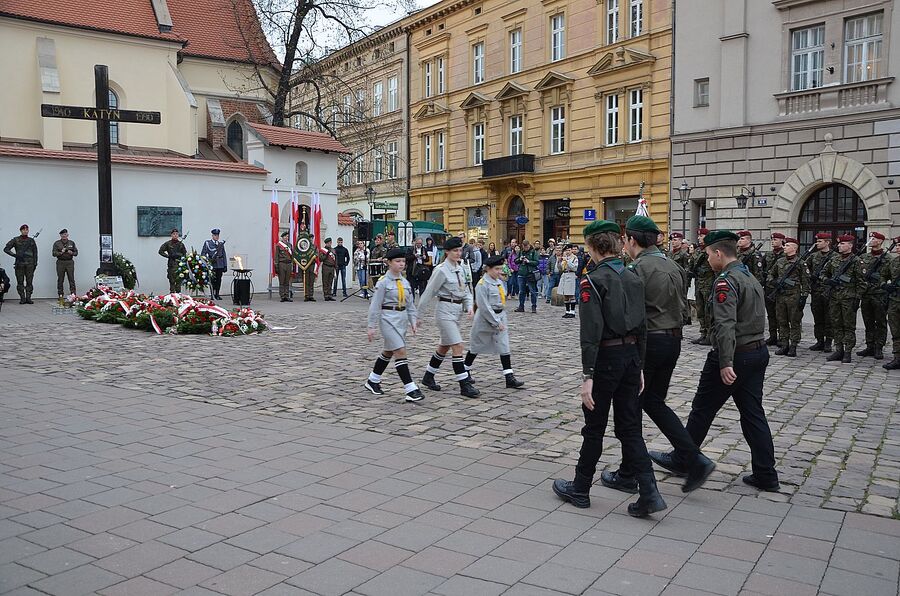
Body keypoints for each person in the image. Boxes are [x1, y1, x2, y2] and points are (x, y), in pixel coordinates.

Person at [551, 220, 666, 517]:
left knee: (594, 427)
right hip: (630, 357)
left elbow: (591, 332)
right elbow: (642, 326)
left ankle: (580, 487)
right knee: (630, 428)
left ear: (593, 247)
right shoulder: (632, 277)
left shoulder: (593, 279)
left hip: (606, 358)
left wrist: (587, 375)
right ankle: (650, 493)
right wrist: (638, 365)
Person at [651, 230, 780, 493]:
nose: (707, 259)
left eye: (709, 254)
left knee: (702, 409)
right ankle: (766, 474)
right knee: (753, 414)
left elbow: (725, 325)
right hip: (757, 352)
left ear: (719, 253)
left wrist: (725, 361)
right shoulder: (748, 276)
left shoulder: (726, 281)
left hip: (735, 355)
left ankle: (684, 459)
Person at [602, 216, 715, 495]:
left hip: (648, 342)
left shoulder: (637, 267)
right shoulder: (672, 264)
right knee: (653, 402)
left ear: (631, 240)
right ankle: (694, 457)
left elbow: (630, 312)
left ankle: (629, 473)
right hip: (672, 340)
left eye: (626, 239)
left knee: (631, 407)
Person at [418, 236, 480, 398]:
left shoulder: (460, 268)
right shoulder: (441, 270)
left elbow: (466, 290)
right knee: (458, 346)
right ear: (447, 252)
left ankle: (428, 376)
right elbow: (428, 293)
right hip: (444, 311)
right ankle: (464, 384)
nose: (458, 253)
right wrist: (418, 315)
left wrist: (469, 307)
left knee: (444, 346)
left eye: (460, 250)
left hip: (456, 311)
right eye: (455, 251)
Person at [365, 247, 425, 402]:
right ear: (389, 263)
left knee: (388, 351)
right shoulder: (383, 283)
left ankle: (373, 379)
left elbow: (410, 304)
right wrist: (371, 326)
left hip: (402, 319)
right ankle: (410, 388)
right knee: (400, 351)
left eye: (403, 261)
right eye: (397, 261)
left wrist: (413, 321)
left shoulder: (405, 282)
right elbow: (375, 305)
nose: (401, 264)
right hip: (388, 319)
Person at [464, 255, 525, 389]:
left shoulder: (498, 281)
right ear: (488, 269)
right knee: (476, 347)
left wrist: (501, 319)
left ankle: (509, 377)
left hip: (500, 317)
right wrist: (496, 322)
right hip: (485, 321)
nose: (499, 272)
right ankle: (465, 370)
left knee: (504, 347)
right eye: (497, 269)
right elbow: (484, 307)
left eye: (500, 269)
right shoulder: (482, 284)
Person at [822, 234, 864, 364]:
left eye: (842, 244)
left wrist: (857, 298)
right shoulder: (834, 260)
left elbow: (862, 282)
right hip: (834, 297)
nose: (839, 246)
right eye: (839, 244)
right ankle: (838, 349)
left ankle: (847, 352)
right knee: (836, 324)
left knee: (848, 326)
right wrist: (828, 281)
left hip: (848, 298)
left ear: (850, 246)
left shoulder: (856, 261)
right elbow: (823, 273)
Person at [767, 237, 809, 357]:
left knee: (794, 321)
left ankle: (793, 345)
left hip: (793, 296)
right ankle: (784, 344)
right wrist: (773, 282)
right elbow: (770, 274)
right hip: (780, 296)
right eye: (784, 245)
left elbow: (805, 281)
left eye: (788, 245)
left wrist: (804, 296)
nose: (784, 247)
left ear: (794, 248)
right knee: (782, 321)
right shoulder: (780, 261)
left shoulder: (801, 263)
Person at [858, 232, 890, 360]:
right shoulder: (864, 257)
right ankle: (870, 346)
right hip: (866, 294)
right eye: (870, 238)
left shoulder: (888, 258)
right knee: (868, 321)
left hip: (880, 295)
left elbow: (892, 276)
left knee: (881, 322)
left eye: (874, 238)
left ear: (880, 241)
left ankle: (879, 347)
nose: (871, 240)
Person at [807, 232, 834, 352]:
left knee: (829, 318)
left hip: (829, 292)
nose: (817, 243)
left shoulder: (835, 256)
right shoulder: (813, 256)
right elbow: (804, 267)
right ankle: (819, 341)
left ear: (827, 242)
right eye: (817, 241)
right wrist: (810, 276)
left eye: (820, 241)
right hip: (816, 291)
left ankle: (828, 342)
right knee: (818, 318)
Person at [4, 224, 38, 304]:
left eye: (27, 230)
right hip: (20, 264)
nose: (25, 231)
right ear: (21, 231)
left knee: (29, 281)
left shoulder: (31, 240)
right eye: (23, 230)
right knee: (20, 281)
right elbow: (6, 249)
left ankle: (28, 298)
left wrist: (35, 263)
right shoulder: (16, 240)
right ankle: (22, 298)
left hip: (30, 264)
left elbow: (35, 252)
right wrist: (15, 255)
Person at [689, 228, 713, 344]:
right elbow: (692, 266)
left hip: (709, 284)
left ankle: (709, 335)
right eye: (699, 236)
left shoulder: (711, 250)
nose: (699, 238)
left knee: (708, 310)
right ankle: (703, 333)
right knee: (700, 310)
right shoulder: (697, 251)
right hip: (699, 283)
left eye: (702, 236)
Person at [763, 232, 786, 346]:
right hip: (769, 287)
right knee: (771, 314)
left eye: (776, 240)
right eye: (772, 240)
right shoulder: (768, 255)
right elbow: (762, 270)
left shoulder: (786, 254)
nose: (773, 242)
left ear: (782, 241)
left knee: (781, 314)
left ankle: (782, 337)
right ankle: (773, 336)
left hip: (780, 288)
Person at [881, 237, 900, 370]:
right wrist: (884, 285)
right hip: (894, 301)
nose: (897, 247)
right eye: (897, 245)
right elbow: (883, 275)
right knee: (895, 331)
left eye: (899, 245)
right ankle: (897, 358)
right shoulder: (894, 262)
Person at [52, 228, 78, 299]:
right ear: (60, 235)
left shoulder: (71, 243)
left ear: (67, 235)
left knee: (71, 279)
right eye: (62, 234)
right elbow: (54, 253)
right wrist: (61, 252)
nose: (64, 236)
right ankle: (60, 295)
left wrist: (71, 252)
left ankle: (73, 295)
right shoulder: (57, 243)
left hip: (69, 262)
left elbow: (76, 253)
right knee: (60, 279)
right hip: (60, 262)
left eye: (65, 234)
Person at [158, 228, 186, 294]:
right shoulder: (168, 244)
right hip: (171, 264)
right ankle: (172, 297)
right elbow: (160, 251)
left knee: (179, 281)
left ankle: (179, 297)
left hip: (179, 265)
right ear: (171, 235)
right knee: (172, 281)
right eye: (174, 234)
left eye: (176, 234)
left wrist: (179, 255)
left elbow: (184, 254)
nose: (175, 235)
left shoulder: (181, 244)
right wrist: (168, 256)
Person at [201, 228, 227, 300]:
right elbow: (203, 254)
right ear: (212, 235)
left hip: (220, 264)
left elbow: (224, 254)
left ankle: (217, 294)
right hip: (212, 265)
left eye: (217, 235)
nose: (216, 237)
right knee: (212, 280)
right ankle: (212, 294)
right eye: (215, 235)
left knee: (219, 280)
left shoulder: (221, 244)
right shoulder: (208, 243)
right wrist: (208, 261)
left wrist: (225, 265)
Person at [514, 240, 539, 313]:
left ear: (529, 245)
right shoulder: (521, 252)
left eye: (527, 247)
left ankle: (534, 306)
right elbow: (515, 261)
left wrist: (529, 261)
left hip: (530, 274)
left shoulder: (534, 252)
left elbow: (537, 262)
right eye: (524, 247)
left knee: (532, 291)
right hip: (521, 274)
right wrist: (520, 259)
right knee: (521, 291)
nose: (526, 248)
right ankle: (521, 306)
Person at [557, 244, 579, 318]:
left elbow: (574, 268)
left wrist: (567, 261)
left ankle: (572, 312)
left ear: (571, 250)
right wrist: (559, 262)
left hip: (571, 275)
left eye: (569, 250)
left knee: (571, 294)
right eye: (566, 250)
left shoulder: (574, 258)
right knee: (565, 294)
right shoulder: (564, 257)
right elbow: (561, 268)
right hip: (564, 275)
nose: (567, 252)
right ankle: (567, 311)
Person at [274, 230, 294, 302]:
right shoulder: (279, 245)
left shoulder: (290, 245)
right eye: (285, 236)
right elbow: (276, 256)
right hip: (282, 263)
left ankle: (286, 295)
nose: (287, 237)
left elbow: (292, 255)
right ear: (282, 237)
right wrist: (276, 266)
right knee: (282, 281)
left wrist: (292, 264)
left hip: (288, 263)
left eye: (287, 236)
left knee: (287, 280)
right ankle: (282, 296)